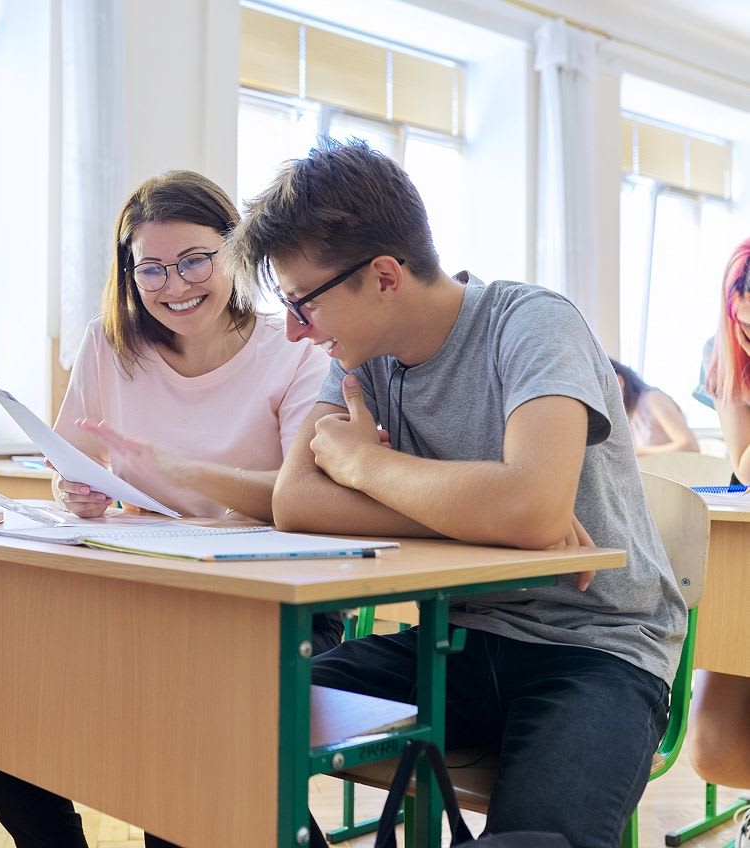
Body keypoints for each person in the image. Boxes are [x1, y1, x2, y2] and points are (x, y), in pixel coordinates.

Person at [223, 139, 687, 848]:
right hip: (454, 641)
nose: (294, 330)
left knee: (541, 841)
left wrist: (365, 465)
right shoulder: (359, 358)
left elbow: (531, 508)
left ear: (383, 276)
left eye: (302, 304)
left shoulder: (532, 323)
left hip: (597, 647)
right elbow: (297, 502)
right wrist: (501, 518)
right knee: (233, 721)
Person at [0, 170, 339, 848]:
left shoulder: (293, 348)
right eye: (151, 270)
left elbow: (301, 501)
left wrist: (183, 473)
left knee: (179, 765)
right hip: (143, 585)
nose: (175, 285)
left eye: (195, 259)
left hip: (266, 598)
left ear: (237, 251)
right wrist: (75, 490)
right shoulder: (108, 344)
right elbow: (68, 463)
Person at [686, 237, 750, 846]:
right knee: (711, 746)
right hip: (742, 549)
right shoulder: (723, 355)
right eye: (742, 322)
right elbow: (746, 462)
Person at [608, 358, 699, 455]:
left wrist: (637, 453)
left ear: (619, 381)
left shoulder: (653, 399)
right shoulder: (626, 416)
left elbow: (690, 446)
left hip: (673, 469)